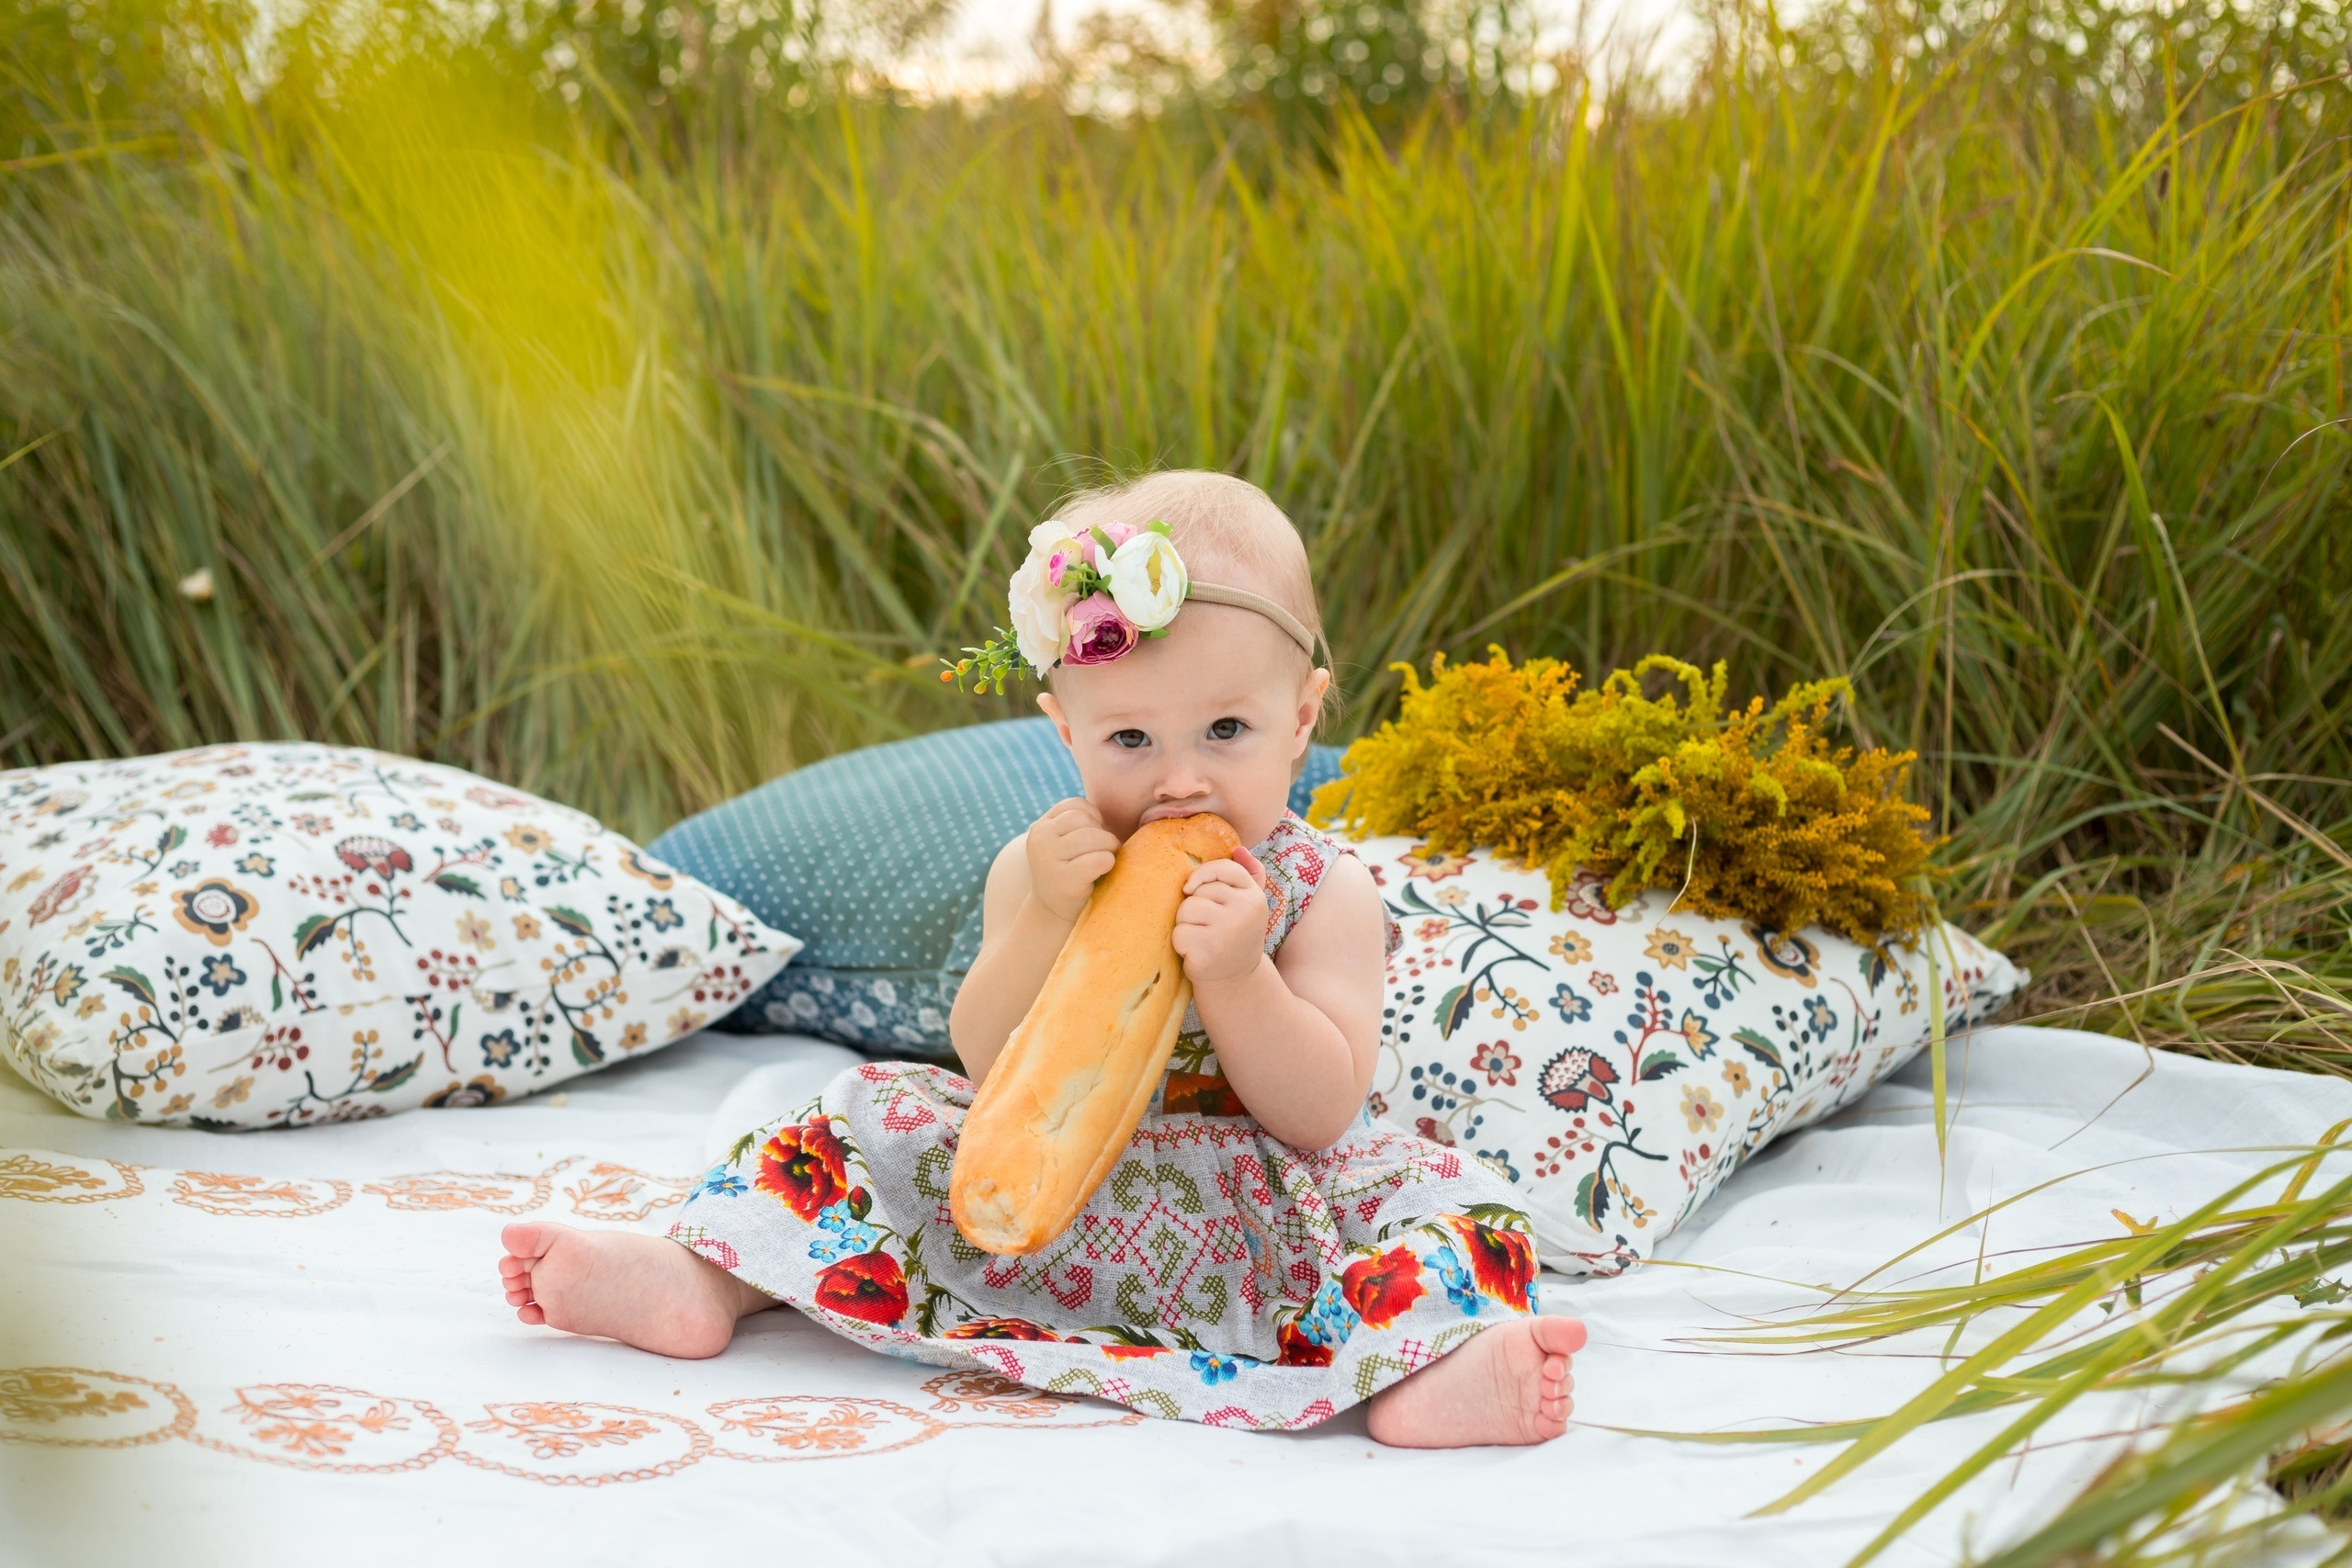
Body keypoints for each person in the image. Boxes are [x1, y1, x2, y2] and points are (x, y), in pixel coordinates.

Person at [492, 470, 1584, 1446]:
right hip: (1047, 1204)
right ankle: (710, 1277)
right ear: (1065, 731)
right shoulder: (1050, 862)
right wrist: (1044, 917)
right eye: (1129, 740)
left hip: (1255, 1212)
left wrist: (1240, 975)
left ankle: (1417, 1372)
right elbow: (982, 1055)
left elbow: (1320, 1111)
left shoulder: (1320, 892)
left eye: (1225, 732)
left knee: (1452, 1202)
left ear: (1301, 720)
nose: (1178, 780)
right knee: (867, 1111)